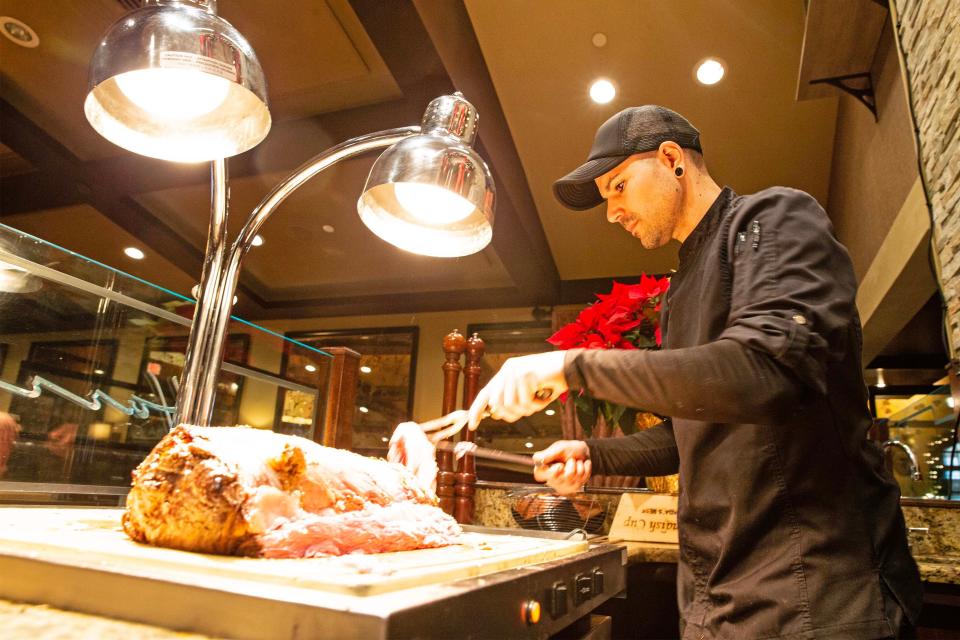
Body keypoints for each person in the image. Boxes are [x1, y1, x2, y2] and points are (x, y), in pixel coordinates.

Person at [463, 106, 923, 639]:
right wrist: (593, 454)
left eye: (618, 186)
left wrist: (573, 366)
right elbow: (691, 434)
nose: (612, 212)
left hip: (814, 595)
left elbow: (764, 372)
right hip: (720, 598)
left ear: (671, 159)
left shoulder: (773, 218)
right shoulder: (679, 294)